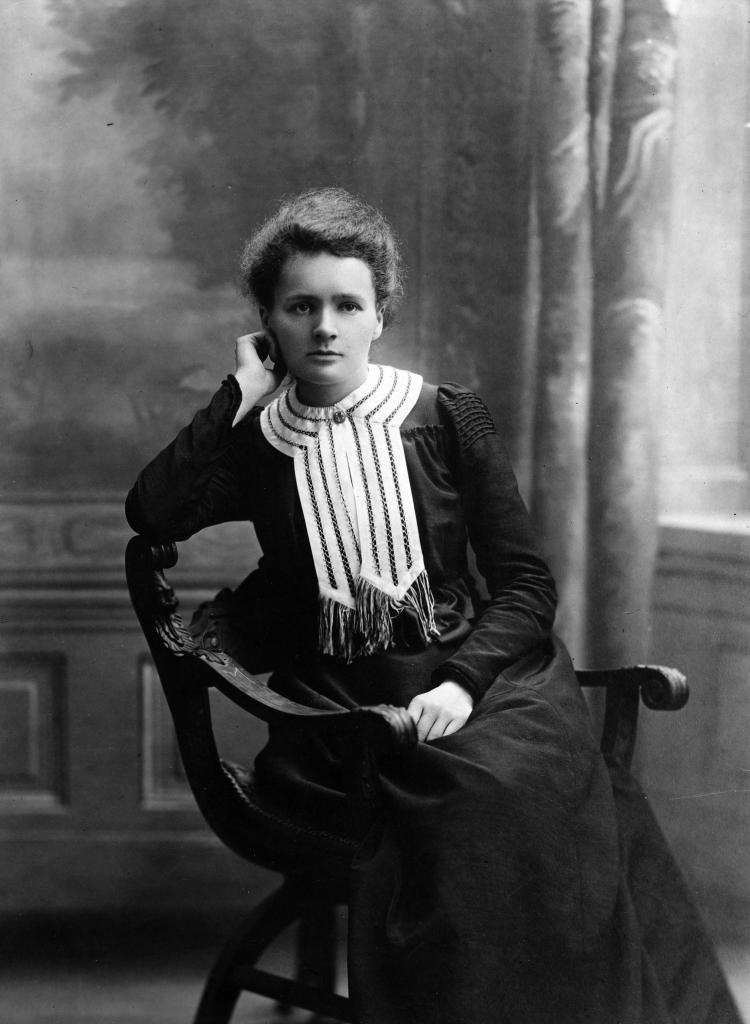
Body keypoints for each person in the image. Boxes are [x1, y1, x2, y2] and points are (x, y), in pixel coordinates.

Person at [126, 188, 740, 1024]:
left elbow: (526, 583)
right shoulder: (261, 445)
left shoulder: (444, 417)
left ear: (381, 315)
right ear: (267, 322)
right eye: (300, 307)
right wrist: (238, 391)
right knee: (472, 809)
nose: (325, 327)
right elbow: (154, 512)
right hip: (347, 705)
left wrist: (459, 684)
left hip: (488, 679)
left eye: (348, 305)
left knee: (534, 790)